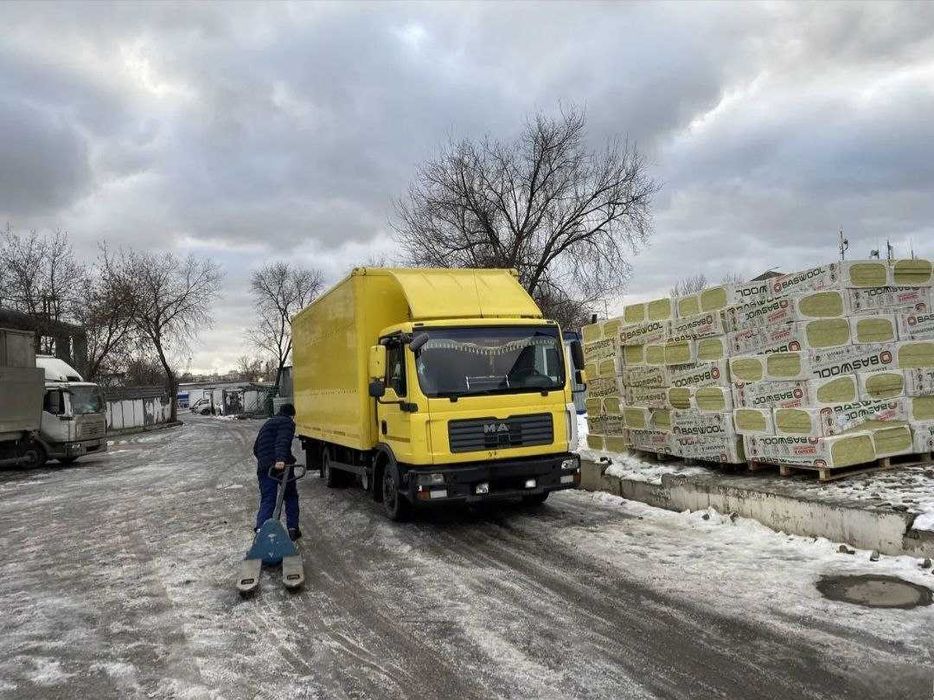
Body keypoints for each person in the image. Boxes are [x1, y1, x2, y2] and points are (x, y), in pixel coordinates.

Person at [252, 403, 301, 540]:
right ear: (291, 415)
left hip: (264, 467)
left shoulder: (269, 423)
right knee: (290, 496)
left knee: (267, 499)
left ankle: (261, 532)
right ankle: (293, 530)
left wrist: (265, 461)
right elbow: (282, 441)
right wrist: (280, 460)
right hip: (281, 467)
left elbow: (256, 448)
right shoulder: (287, 423)